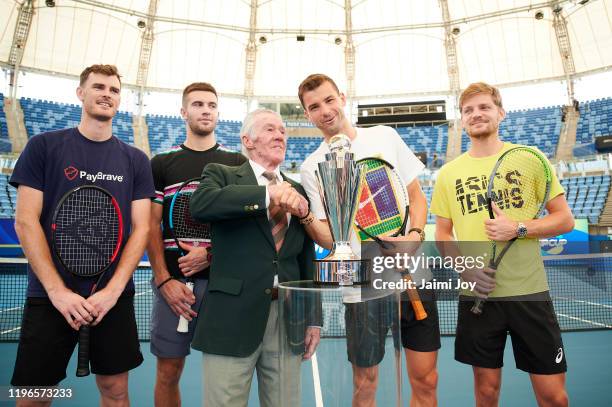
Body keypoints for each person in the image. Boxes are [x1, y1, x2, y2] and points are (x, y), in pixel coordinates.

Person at [9, 64, 154, 405]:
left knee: (116, 392)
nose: (107, 94)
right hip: (50, 299)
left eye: (114, 90)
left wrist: (112, 292)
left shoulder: (135, 159)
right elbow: (26, 222)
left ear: (120, 101)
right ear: (81, 93)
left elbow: (142, 228)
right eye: (99, 86)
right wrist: (58, 292)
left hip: (112, 300)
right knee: (34, 397)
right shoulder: (43, 146)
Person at [298, 73, 439, 406]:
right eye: (314, 106)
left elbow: (417, 198)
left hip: (413, 276)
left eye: (329, 100)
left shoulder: (384, 136)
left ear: (342, 98)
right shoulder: (311, 167)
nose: (325, 111)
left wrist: (414, 238)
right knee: (365, 384)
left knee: (426, 381)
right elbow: (331, 237)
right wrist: (306, 217)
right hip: (361, 288)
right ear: (307, 115)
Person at [430, 82, 574, 407]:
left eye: (484, 107)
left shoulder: (530, 158)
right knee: (486, 392)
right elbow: (442, 234)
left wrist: (519, 227)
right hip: (477, 297)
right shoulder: (448, 174)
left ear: (500, 113)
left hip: (529, 294)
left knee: (554, 396)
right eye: (468, 110)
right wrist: (466, 270)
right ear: (462, 120)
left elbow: (564, 219)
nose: (476, 114)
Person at [189, 108, 321, 407]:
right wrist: (268, 195)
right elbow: (201, 204)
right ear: (247, 140)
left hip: (288, 318)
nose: (280, 136)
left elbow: (305, 258)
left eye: (283, 131)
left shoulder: (298, 190)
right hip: (231, 318)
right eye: (270, 129)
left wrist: (313, 317)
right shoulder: (221, 174)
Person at [147, 82, 246, 406]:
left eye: (212, 105)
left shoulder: (235, 162)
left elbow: (243, 228)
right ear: (183, 111)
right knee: (168, 372)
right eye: (198, 104)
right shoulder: (161, 163)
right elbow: (150, 225)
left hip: (223, 288)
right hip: (174, 290)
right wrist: (164, 281)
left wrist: (212, 255)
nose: (206, 110)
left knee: (225, 378)